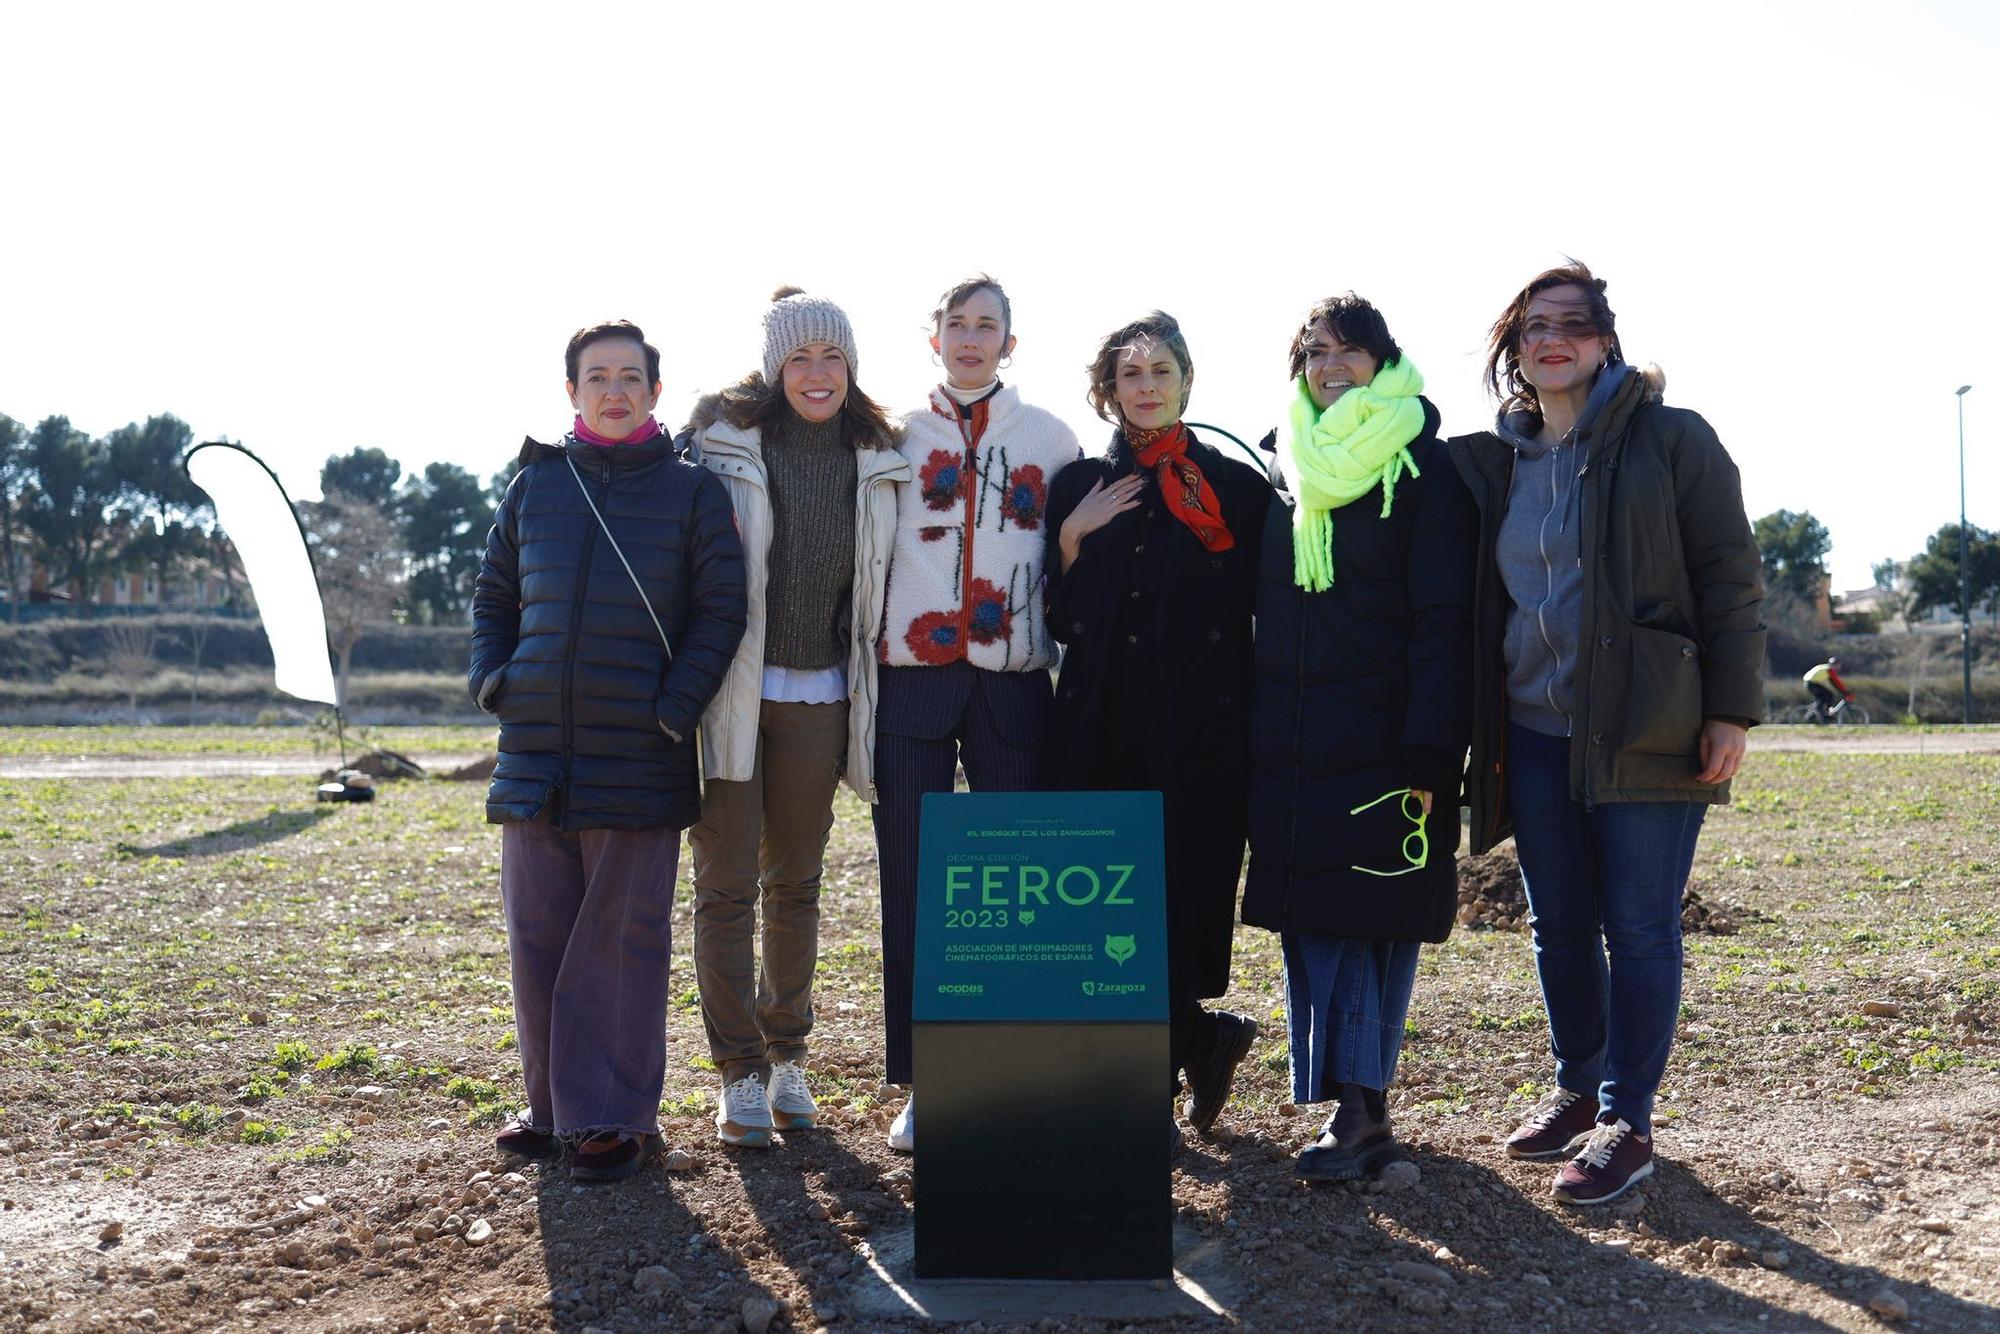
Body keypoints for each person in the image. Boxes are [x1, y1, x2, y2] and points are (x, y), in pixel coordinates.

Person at [1448, 263, 1766, 1205]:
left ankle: (1627, 1119)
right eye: (1535, 326)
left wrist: (1730, 709)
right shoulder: (1498, 461)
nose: (1555, 339)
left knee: (1638, 923)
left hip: (1646, 724)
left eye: (1575, 325)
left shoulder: (1673, 440)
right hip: (1533, 729)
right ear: (1513, 347)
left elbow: (1730, 577)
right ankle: (1578, 1090)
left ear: (1606, 341)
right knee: (1557, 926)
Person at [470, 319, 746, 1181]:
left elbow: (719, 614)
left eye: (632, 376)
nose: (615, 390)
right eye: (598, 377)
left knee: (621, 941)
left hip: (639, 752)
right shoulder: (533, 487)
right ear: (573, 392)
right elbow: (492, 599)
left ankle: (617, 1117)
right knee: (539, 933)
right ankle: (553, 1111)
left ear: (656, 394)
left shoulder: (694, 493)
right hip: (536, 752)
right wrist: (495, 683)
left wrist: (670, 713)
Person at [1241, 294, 1476, 1181]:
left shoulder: (1425, 469)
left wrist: (1430, 752)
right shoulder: (1283, 465)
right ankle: (1353, 1104)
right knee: (1317, 924)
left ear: (1383, 359)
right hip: (1294, 741)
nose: (1328, 368)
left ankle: (1363, 1110)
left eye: (1346, 352)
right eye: (1312, 354)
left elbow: (1443, 622)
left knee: (1376, 925)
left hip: (1385, 744)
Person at [682, 288, 911, 1149]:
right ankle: (736, 1072)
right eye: (801, 358)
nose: (817, 374)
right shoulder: (724, 444)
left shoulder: (878, 452)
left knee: (797, 887)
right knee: (726, 884)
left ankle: (787, 1057)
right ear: (774, 366)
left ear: (852, 368)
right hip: (732, 691)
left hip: (821, 694)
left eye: (833, 358)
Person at [1043, 311, 1271, 1137]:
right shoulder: (1074, 486)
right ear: (1109, 390)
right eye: (1131, 374)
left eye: (1161, 372)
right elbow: (1059, 622)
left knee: (1177, 894)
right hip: (1099, 726)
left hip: (1199, 731)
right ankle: (1190, 1050)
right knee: (1104, 902)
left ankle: (1166, 1072)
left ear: (1186, 382)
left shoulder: (1237, 490)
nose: (1146, 387)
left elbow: (1263, 615)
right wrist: (1070, 541)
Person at [874, 275, 1081, 1154]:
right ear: (933, 339)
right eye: (955, 324)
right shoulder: (889, 435)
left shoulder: (1053, 437)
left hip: (1012, 674)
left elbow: (1072, 558)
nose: (970, 337)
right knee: (914, 882)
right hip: (912, 674)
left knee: (1015, 891)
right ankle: (926, 1081)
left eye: (986, 325)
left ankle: (1011, 1068)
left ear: (1011, 341)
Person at [1802, 657, 1852, 722]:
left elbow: (1834, 683)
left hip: (1809, 683)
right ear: (1834, 664)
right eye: (1838, 665)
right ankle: (1825, 714)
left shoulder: (1826, 668)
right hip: (1811, 683)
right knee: (1829, 695)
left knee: (1822, 699)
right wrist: (1845, 692)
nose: (1839, 667)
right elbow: (1836, 682)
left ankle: (1815, 715)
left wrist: (1843, 691)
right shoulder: (1829, 670)